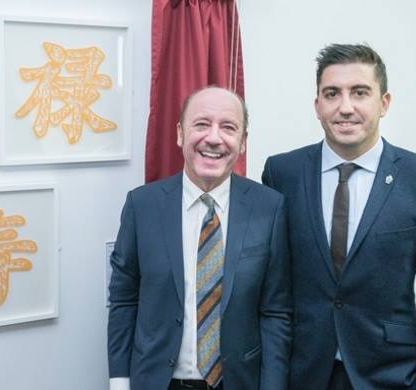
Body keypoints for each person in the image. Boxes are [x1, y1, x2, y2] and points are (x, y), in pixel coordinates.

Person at [262, 43, 416, 389]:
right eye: (332, 94)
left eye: (359, 92)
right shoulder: (281, 173)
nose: (345, 107)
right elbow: (271, 288)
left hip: (393, 375)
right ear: (317, 105)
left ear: (384, 102)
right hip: (302, 374)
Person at [108, 86, 292, 390]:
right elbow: (124, 299)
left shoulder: (269, 207)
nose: (214, 138)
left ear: (243, 142)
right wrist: (119, 381)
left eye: (229, 127)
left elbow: (275, 312)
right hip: (158, 381)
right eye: (202, 124)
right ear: (180, 133)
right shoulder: (142, 206)